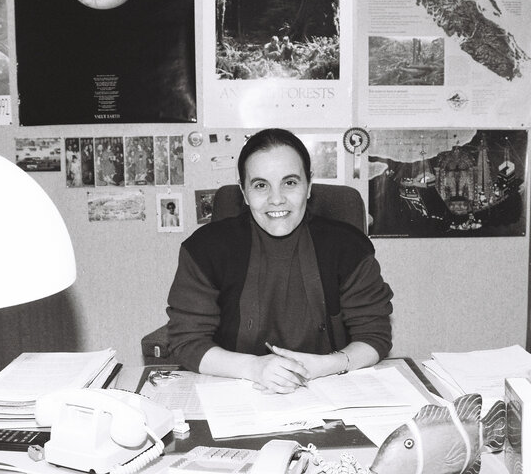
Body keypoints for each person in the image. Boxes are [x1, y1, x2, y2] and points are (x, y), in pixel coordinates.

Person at [166, 129, 393, 394]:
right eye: (261, 185)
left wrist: (327, 365)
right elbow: (186, 340)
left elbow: (375, 336)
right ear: (244, 191)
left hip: (327, 388)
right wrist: (254, 369)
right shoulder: (204, 248)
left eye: (290, 183)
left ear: (308, 186)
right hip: (235, 392)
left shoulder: (349, 247)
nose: (276, 199)